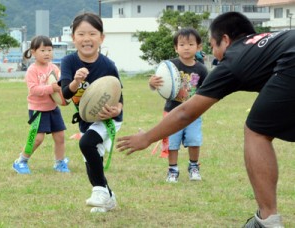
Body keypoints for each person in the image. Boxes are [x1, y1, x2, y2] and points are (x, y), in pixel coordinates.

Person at [117, 11, 295, 227]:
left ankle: (267, 221)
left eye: (213, 45)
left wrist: (147, 137)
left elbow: (186, 112)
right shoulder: (267, 44)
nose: (214, 53)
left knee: (256, 132)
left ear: (226, 40)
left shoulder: (233, 59)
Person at [59, 12, 123, 213]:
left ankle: (99, 191)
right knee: (91, 160)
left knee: (86, 143)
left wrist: (116, 110)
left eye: (93, 34)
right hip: (87, 118)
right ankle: (108, 197)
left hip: (108, 118)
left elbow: (118, 94)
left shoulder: (107, 65)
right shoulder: (69, 62)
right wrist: (76, 82)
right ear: (73, 38)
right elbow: (65, 95)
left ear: (101, 38)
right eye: (81, 34)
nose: (87, 38)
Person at [148, 28, 208, 183]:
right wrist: (152, 83)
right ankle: (172, 169)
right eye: (182, 44)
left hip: (193, 113)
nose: (186, 47)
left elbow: (206, 91)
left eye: (190, 44)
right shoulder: (169, 66)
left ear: (198, 47)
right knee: (172, 143)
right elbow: (158, 84)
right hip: (171, 112)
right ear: (176, 48)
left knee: (194, 140)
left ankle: (194, 166)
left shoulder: (201, 69)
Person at [12, 35, 70, 174]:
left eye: (49, 50)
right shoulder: (32, 70)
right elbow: (34, 90)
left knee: (60, 137)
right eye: (43, 50)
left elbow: (60, 84)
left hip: (53, 108)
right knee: (37, 139)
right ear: (33, 52)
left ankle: (60, 163)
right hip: (37, 109)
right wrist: (51, 88)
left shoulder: (54, 68)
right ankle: (21, 161)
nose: (47, 53)